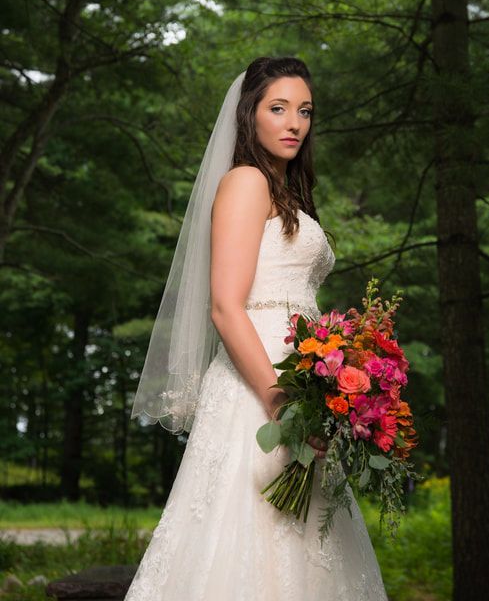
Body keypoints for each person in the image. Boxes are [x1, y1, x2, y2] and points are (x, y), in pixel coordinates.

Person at [125, 57, 388, 600]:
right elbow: (225, 306)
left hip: (302, 379)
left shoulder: (286, 190)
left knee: (303, 544)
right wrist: (279, 402)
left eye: (305, 111)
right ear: (250, 115)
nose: (294, 122)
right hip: (262, 382)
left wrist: (334, 384)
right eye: (278, 108)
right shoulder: (246, 181)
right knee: (245, 533)